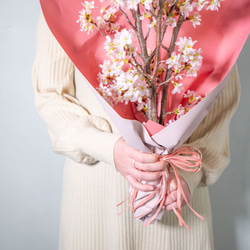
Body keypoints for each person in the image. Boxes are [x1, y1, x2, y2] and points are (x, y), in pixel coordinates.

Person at [32, 13, 241, 250]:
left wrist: (188, 175)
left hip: (177, 194)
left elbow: (221, 106)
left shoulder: (206, 6)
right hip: (96, 195)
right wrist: (107, 147)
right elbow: (51, 95)